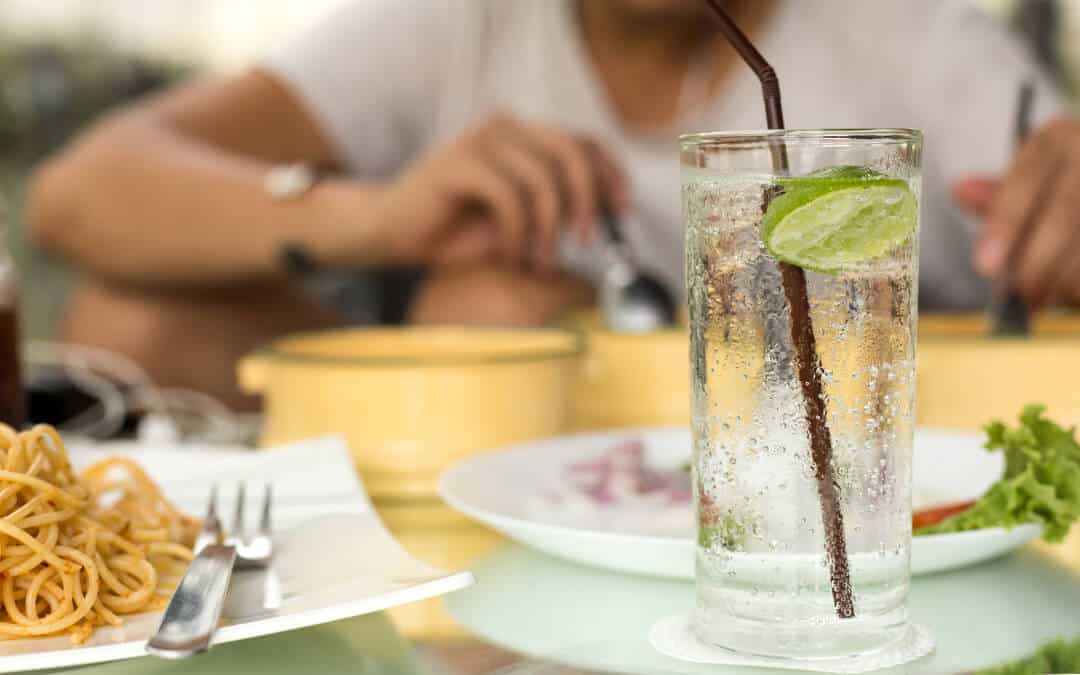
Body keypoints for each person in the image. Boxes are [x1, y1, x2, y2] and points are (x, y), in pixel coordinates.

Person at [26, 0, 1079, 408]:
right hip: (510, 490)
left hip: (835, 466)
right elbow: (78, 194)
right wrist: (382, 214)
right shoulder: (459, 24)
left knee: (492, 305)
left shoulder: (906, 37)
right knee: (132, 319)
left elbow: (1060, 192)